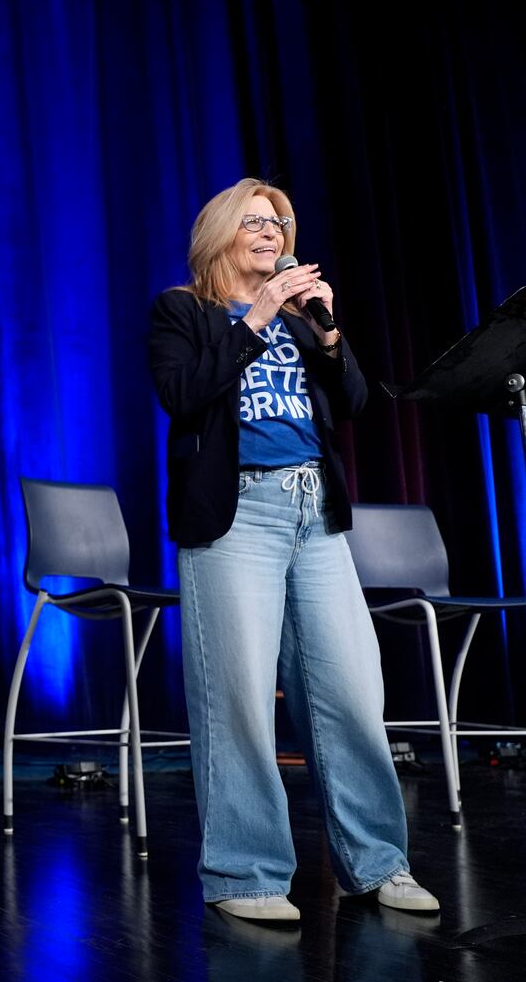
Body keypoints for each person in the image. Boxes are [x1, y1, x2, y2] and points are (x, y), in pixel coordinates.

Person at [148, 179, 440, 923]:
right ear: (219, 233)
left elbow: (354, 404)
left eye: (279, 222)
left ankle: (378, 864)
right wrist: (260, 314)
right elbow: (183, 393)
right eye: (254, 221)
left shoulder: (307, 324)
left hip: (316, 515)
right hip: (238, 515)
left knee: (351, 698)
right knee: (239, 702)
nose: (272, 230)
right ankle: (245, 873)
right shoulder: (184, 311)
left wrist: (331, 331)